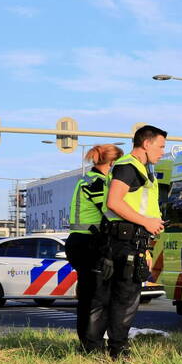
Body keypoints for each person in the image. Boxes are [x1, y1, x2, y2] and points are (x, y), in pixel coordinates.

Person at [91, 125, 167, 359]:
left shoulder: (140, 169)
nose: (163, 151)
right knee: (125, 298)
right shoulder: (128, 166)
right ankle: (118, 350)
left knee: (119, 297)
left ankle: (103, 348)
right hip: (125, 242)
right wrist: (146, 221)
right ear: (146, 143)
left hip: (129, 240)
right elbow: (114, 202)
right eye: (161, 146)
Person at [65, 143, 123, 353]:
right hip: (89, 243)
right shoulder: (97, 182)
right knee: (96, 299)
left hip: (81, 242)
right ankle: (92, 347)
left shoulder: (88, 179)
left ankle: (90, 344)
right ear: (112, 162)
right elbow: (111, 211)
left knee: (91, 296)